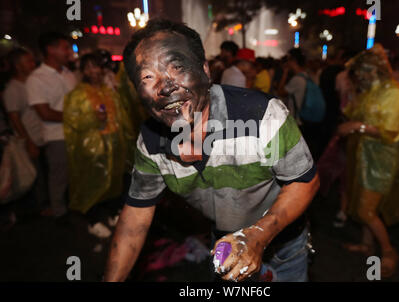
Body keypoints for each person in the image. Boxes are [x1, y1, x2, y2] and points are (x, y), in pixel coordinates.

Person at [104, 19, 319, 282]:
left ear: (205, 70)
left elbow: (304, 182)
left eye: (177, 67)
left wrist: (257, 236)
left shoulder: (262, 115)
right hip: (224, 245)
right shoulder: (151, 142)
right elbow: (135, 219)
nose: (165, 86)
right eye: (148, 77)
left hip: (283, 249)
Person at [337, 44, 399, 278]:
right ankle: (367, 245)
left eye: (365, 71)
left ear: (377, 70)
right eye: (360, 72)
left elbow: (392, 130)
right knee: (364, 201)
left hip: (383, 158)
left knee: (366, 210)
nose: (361, 76)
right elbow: (355, 112)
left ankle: (389, 252)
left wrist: (356, 126)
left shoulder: (394, 93)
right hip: (365, 154)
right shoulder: (372, 91)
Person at [63, 54, 129, 236]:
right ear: (83, 71)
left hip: (113, 144)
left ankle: (112, 213)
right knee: (91, 183)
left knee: (113, 181)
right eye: (88, 67)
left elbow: (121, 117)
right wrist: (92, 119)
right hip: (92, 147)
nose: (93, 71)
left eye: (96, 66)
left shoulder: (109, 91)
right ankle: (92, 220)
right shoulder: (76, 95)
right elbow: (71, 120)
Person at [26, 32, 77, 217]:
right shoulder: (36, 79)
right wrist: (77, 117)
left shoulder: (69, 74)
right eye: (65, 47)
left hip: (77, 134)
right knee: (59, 176)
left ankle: (74, 208)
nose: (69, 52)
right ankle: (58, 212)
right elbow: (45, 113)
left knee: (75, 175)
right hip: (57, 136)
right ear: (50, 49)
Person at [2, 48, 48, 212]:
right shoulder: (13, 89)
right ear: (17, 65)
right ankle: (34, 210)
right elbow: (14, 119)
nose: (33, 63)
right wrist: (28, 142)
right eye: (28, 61)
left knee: (42, 174)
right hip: (29, 140)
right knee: (32, 176)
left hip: (41, 137)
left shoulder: (31, 83)